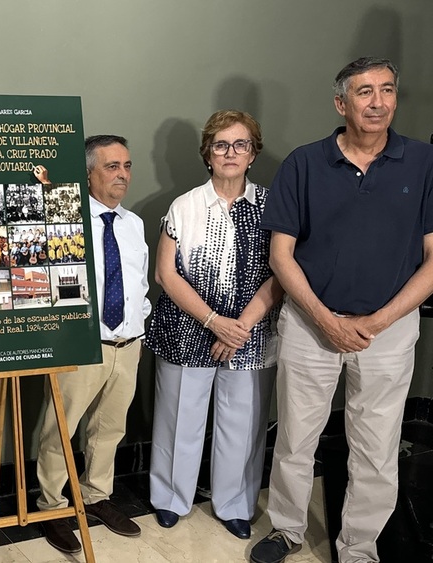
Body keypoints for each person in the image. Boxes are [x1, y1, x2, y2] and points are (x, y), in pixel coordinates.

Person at [250, 57, 433, 563]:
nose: (378, 102)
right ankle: (286, 530)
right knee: (295, 438)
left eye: (388, 90)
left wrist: (375, 323)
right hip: (311, 326)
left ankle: (358, 547)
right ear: (341, 102)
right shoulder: (304, 164)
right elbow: (280, 257)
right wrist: (326, 320)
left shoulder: (424, 162)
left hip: (389, 331)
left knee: (376, 449)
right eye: (365, 92)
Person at [145, 110, 282, 541]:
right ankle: (170, 498)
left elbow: (283, 270)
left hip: (252, 334)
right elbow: (165, 275)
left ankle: (235, 504)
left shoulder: (273, 205)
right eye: (221, 144)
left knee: (243, 425)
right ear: (207, 153)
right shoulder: (184, 206)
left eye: (241, 144)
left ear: (253, 153)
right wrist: (214, 322)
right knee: (178, 417)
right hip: (188, 332)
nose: (230, 153)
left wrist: (238, 327)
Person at [33, 136, 150, 554]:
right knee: (59, 428)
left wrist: (138, 322)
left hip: (128, 342)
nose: (122, 174)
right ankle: (51, 505)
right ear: (88, 173)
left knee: (110, 428)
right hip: (83, 344)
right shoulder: (67, 219)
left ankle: (96, 495)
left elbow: (139, 282)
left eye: (127, 165)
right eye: (111, 166)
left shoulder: (134, 225)